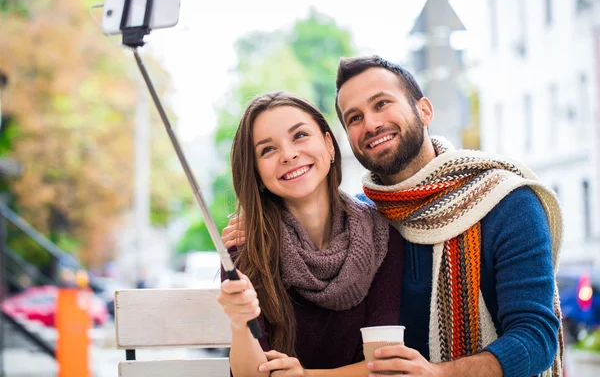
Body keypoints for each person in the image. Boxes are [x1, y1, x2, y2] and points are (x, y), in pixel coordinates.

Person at [224, 56, 564, 377]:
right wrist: (259, 225)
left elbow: (536, 337)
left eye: (382, 103)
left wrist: (439, 373)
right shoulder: (372, 219)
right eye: (354, 118)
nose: (371, 124)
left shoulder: (507, 203)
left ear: (424, 110)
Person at [217, 91, 404, 377]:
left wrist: (307, 376)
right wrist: (239, 322)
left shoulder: (380, 234)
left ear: (329, 144)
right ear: (256, 173)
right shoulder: (244, 245)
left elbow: (386, 365)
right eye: (267, 150)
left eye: (300, 135)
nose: (289, 154)